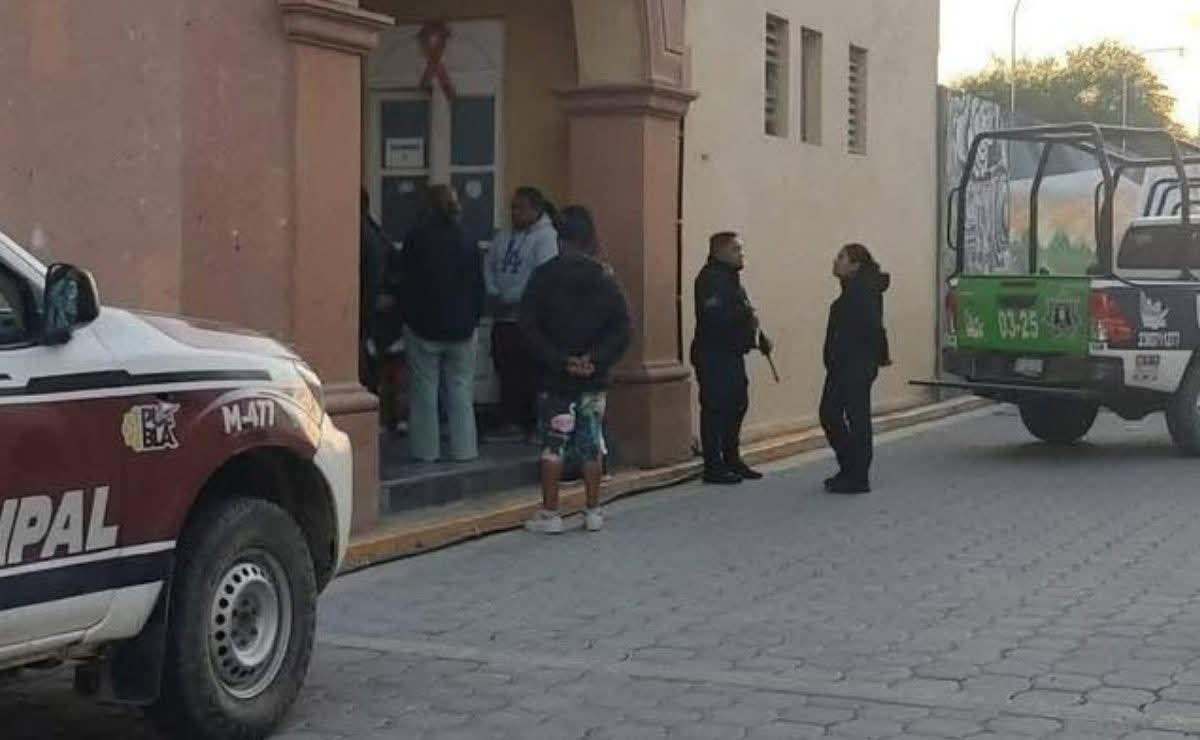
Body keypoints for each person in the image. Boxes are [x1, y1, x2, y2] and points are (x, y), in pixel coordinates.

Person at [520, 206, 631, 534]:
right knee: (591, 442)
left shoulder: (544, 277)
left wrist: (561, 359)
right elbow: (623, 327)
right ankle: (593, 510)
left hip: (556, 378)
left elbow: (528, 327)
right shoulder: (604, 277)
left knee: (553, 444)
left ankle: (551, 513)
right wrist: (595, 359)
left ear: (560, 238)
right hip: (593, 377)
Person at [398, 185, 485, 462]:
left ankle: (425, 452)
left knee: (424, 392)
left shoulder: (417, 237)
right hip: (463, 327)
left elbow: (406, 282)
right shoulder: (468, 237)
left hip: (424, 326)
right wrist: (475, 317)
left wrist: (407, 317)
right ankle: (465, 450)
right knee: (461, 391)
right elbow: (478, 284)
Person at [690, 231, 772, 485]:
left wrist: (758, 339)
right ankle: (714, 466)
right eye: (736, 249)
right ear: (720, 252)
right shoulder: (710, 279)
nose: (741, 254)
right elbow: (716, 317)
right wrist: (743, 314)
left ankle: (732, 458)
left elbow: (745, 314)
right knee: (715, 409)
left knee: (737, 404)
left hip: (732, 353)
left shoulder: (731, 279)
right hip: (713, 354)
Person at [485, 187, 559, 439]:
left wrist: (514, 299)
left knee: (527, 373)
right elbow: (489, 265)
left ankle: (529, 422)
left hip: (527, 319)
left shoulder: (546, 238)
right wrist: (493, 292)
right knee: (505, 370)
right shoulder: (504, 236)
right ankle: (510, 420)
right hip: (502, 317)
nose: (514, 212)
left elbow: (542, 276)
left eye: (520, 208)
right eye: (513, 207)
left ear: (536, 209)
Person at [820, 243, 891, 494]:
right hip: (844, 364)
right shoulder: (853, 292)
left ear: (855, 265)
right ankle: (850, 467)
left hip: (854, 365)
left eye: (842, 257)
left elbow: (871, 328)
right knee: (832, 414)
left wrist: (865, 359)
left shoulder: (861, 294)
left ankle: (858, 475)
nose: (836, 261)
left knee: (853, 417)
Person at [358, 189, 391, 395]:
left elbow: (371, 279)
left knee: (366, 371)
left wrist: (365, 316)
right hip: (372, 314)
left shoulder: (364, 235)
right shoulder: (375, 233)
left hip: (367, 315)